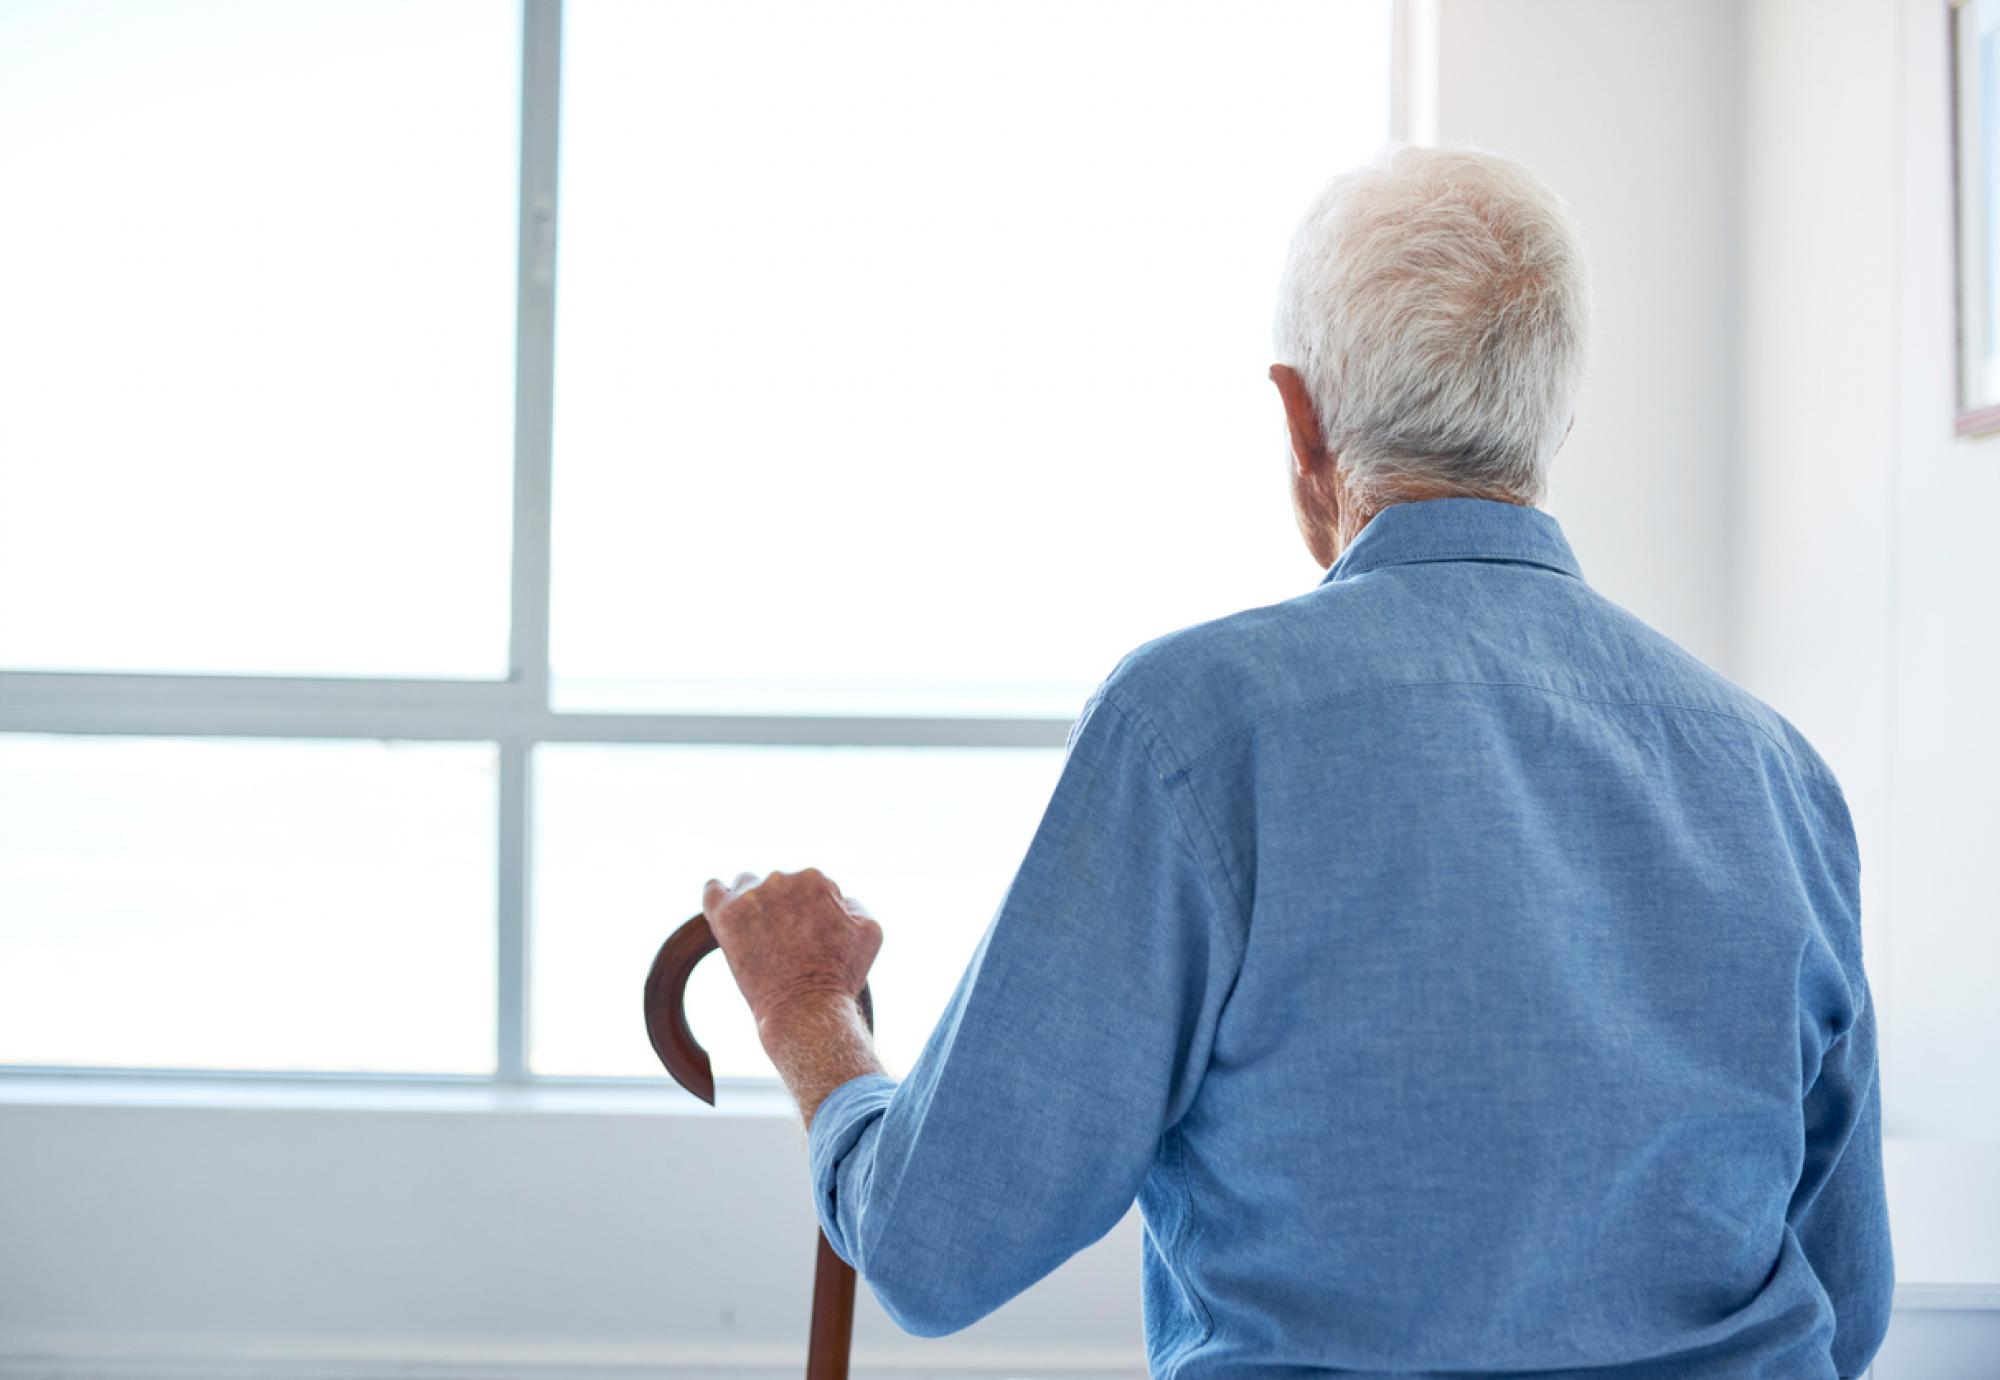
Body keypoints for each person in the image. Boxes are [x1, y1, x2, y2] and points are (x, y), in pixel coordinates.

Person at [699, 144, 1894, 1379]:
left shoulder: (1192, 727)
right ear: (1555, 419)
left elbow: (929, 1243)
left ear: (1298, 415)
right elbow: (1844, 1308)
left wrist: (805, 1010)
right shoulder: (1778, 778)